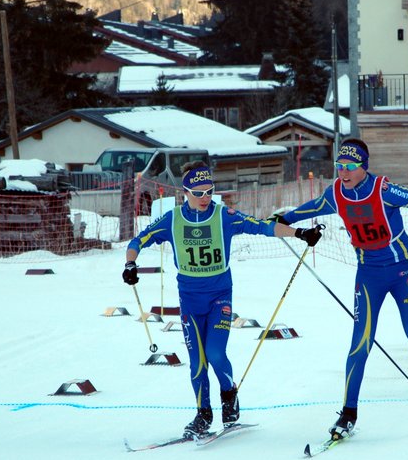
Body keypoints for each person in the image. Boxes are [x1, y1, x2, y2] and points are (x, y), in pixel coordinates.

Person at [274, 137, 408, 440]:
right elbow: (310, 208)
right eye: (339, 166)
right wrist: (284, 219)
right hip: (369, 275)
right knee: (360, 344)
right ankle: (348, 413)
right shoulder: (336, 194)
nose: (343, 171)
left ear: (364, 167)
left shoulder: (383, 190)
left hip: (403, 271)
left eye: (350, 166)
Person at [123, 162, 322, 439]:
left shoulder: (223, 216)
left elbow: (262, 227)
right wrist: (130, 265)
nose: (205, 198)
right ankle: (203, 414)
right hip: (190, 301)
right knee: (197, 363)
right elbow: (138, 240)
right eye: (199, 193)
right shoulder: (172, 219)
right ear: (185, 192)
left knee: (215, 353)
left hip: (219, 297)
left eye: (210, 191)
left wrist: (300, 233)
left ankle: (229, 397)